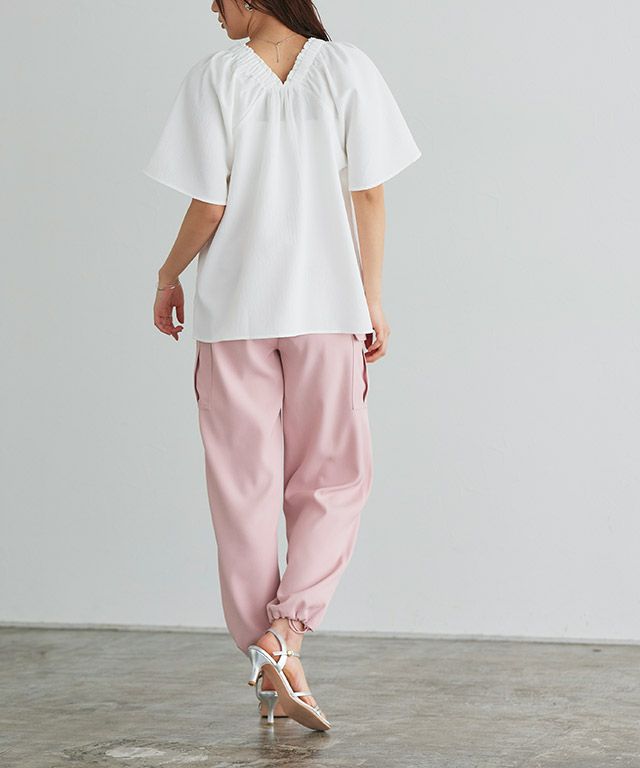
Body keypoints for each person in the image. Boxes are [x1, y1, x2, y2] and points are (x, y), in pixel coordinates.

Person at [143, 0, 421, 731]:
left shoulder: (215, 77)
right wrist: (373, 299)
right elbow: (369, 192)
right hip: (327, 309)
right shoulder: (348, 70)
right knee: (334, 478)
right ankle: (286, 636)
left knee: (244, 490)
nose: (212, 7)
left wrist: (169, 275)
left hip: (234, 315)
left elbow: (209, 205)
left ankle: (265, 656)